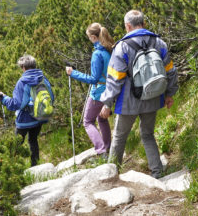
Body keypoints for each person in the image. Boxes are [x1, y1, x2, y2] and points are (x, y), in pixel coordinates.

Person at [99, 10, 178, 178]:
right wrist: (169, 94)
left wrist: (107, 103)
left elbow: (115, 78)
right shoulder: (159, 42)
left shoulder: (122, 46)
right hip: (152, 97)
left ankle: (111, 174)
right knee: (148, 134)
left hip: (128, 102)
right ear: (143, 23)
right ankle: (157, 172)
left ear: (128, 26)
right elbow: (170, 71)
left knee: (120, 137)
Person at [66, 23, 114, 158]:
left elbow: (93, 79)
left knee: (87, 121)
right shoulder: (108, 50)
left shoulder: (97, 54)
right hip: (109, 90)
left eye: (89, 37)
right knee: (102, 119)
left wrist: (73, 73)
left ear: (93, 37)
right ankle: (108, 148)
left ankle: (101, 151)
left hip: (98, 92)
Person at [0, 55, 54, 166]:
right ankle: (35, 166)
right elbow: (51, 97)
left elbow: (17, 104)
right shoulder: (43, 78)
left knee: (16, 144)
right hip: (39, 117)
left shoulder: (22, 82)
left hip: (24, 119)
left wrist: (4, 99)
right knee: (33, 141)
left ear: (23, 67)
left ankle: (12, 166)